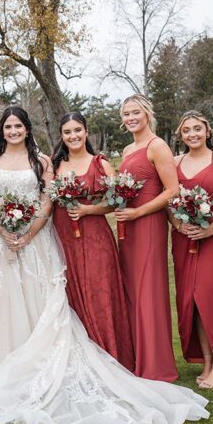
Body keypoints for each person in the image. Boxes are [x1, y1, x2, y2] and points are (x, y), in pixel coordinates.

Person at [0, 106, 209, 424]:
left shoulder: (42, 162)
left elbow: (46, 202)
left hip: (37, 240)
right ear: (2, 129)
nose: (13, 130)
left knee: (42, 302)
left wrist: (27, 232)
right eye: (8, 126)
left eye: (19, 126)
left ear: (27, 130)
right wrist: (3, 228)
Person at [50, 112, 134, 370]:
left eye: (77, 130)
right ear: (61, 137)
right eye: (67, 132)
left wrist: (88, 210)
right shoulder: (55, 166)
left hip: (95, 238)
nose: (73, 136)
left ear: (86, 132)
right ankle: (77, 361)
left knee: (99, 293)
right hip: (63, 239)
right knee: (70, 294)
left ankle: (108, 357)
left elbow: (117, 201)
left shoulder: (100, 164)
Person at [170, 111, 213, 389]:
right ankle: (207, 361)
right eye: (187, 130)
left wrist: (209, 230)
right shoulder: (174, 163)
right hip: (185, 239)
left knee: (206, 294)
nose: (192, 134)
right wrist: (177, 225)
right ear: (181, 135)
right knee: (191, 300)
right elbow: (167, 200)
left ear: (207, 131)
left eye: (197, 129)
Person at [116, 94, 180, 381]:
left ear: (147, 113)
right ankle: (136, 357)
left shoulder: (158, 146)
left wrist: (138, 212)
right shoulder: (129, 148)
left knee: (148, 290)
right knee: (132, 290)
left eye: (136, 112)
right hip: (127, 225)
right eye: (126, 113)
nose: (131, 118)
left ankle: (156, 364)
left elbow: (171, 190)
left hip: (148, 224)